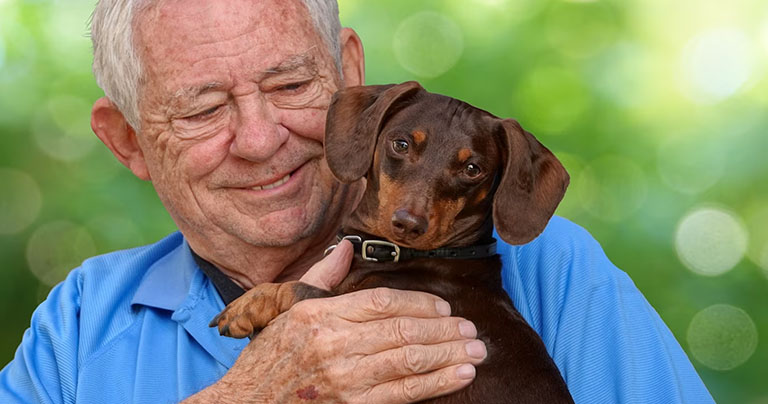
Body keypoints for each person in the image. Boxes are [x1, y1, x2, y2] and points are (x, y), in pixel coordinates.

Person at [0, 0, 714, 403]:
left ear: (351, 74)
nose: (258, 138)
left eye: (288, 88)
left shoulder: (548, 274)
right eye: (203, 108)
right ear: (127, 141)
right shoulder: (77, 330)